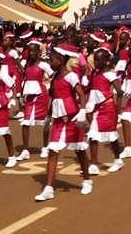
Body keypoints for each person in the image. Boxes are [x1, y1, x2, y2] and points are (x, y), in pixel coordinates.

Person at [35, 44, 93, 201]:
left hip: (73, 118)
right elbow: (52, 97)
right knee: (53, 151)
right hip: (59, 120)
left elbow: (80, 94)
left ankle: (87, 180)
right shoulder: (54, 77)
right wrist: (48, 116)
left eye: (52, 59)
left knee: (79, 151)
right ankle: (48, 188)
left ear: (61, 60)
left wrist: (82, 111)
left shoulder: (71, 76)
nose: (50, 62)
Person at [85, 44, 123, 174]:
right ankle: (94, 164)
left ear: (106, 61)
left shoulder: (110, 74)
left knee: (111, 136)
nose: (95, 62)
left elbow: (119, 91)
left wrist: (118, 110)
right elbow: (89, 87)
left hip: (107, 108)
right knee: (93, 135)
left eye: (98, 60)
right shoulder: (94, 73)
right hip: (96, 108)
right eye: (95, 59)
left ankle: (118, 159)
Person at [16, 40, 52, 161]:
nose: (31, 52)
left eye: (33, 50)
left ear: (38, 51)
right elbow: (25, 78)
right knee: (26, 122)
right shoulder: (26, 63)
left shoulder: (43, 64)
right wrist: (21, 94)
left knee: (44, 121)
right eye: (29, 50)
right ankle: (25, 150)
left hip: (41, 95)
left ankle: (45, 147)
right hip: (29, 96)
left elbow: (53, 74)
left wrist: (50, 86)